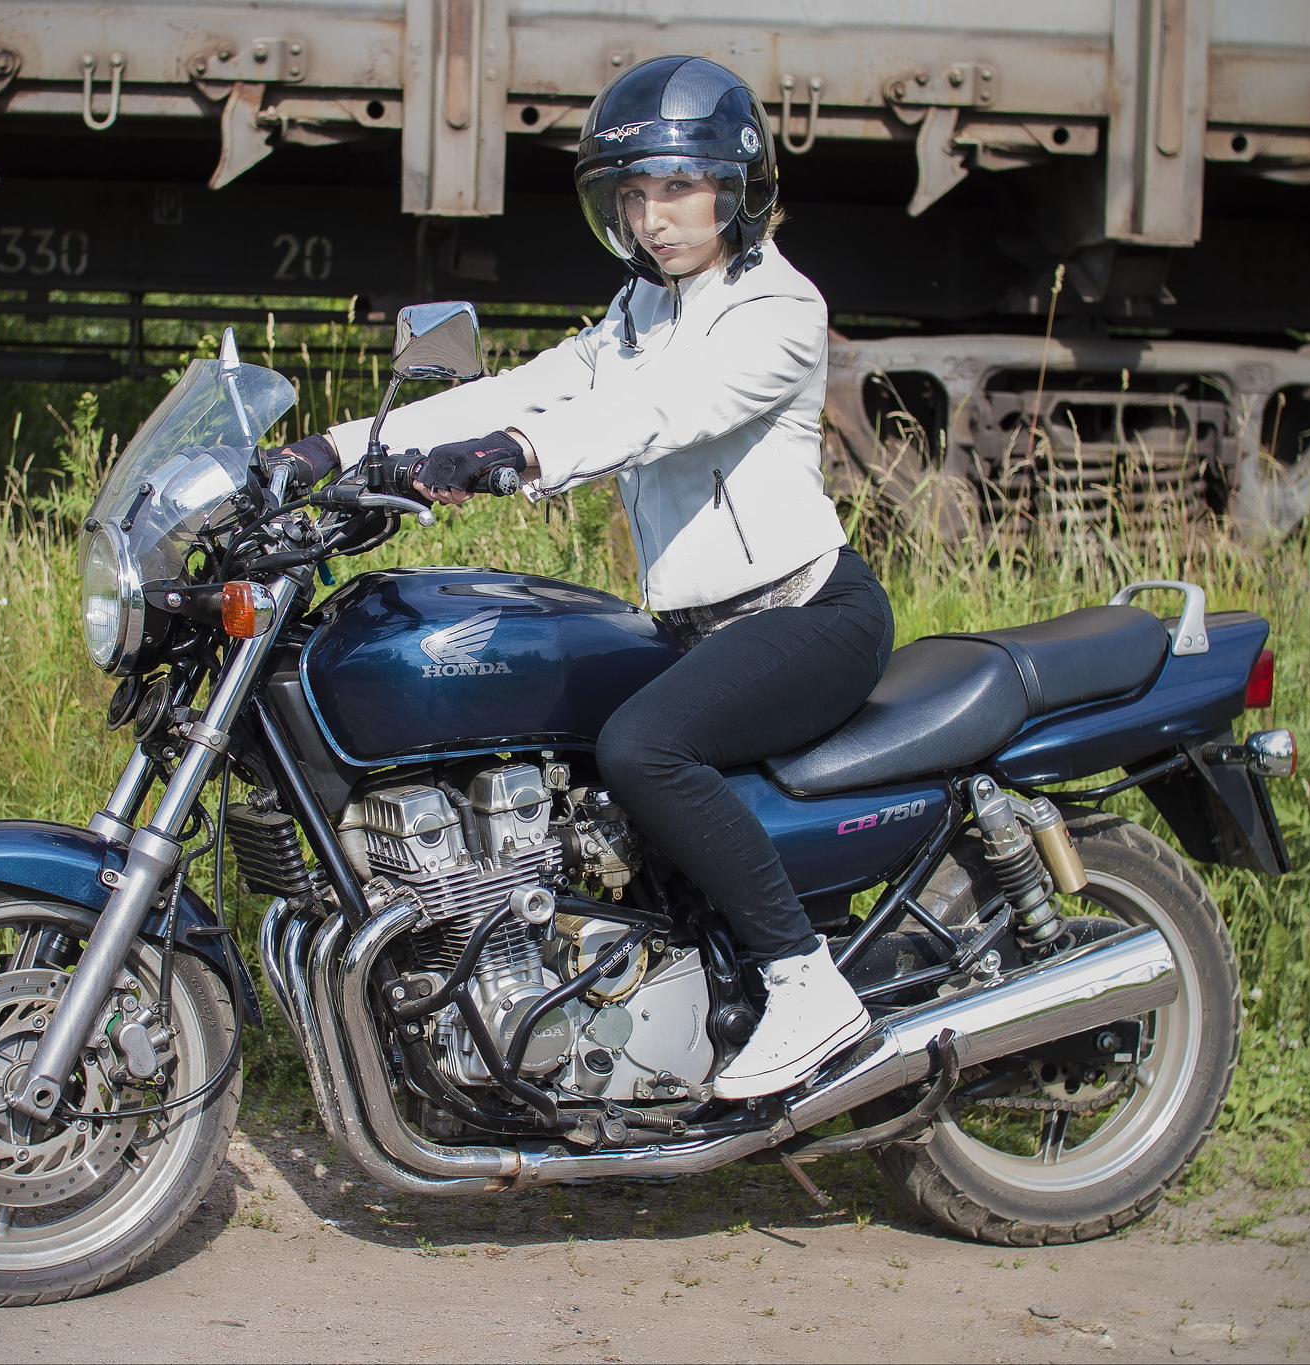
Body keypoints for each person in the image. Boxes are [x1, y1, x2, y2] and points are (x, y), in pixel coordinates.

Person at [272, 55, 895, 1100]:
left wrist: (512, 453)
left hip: (805, 616)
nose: (653, 217)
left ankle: (806, 987)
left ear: (738, 191)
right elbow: (536, 383)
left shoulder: (777, 312)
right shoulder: (640, 309)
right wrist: (329, 452)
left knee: (642, 749)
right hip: (699, 628)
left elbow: (653, 414)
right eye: (634, 194)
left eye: (677, 190)